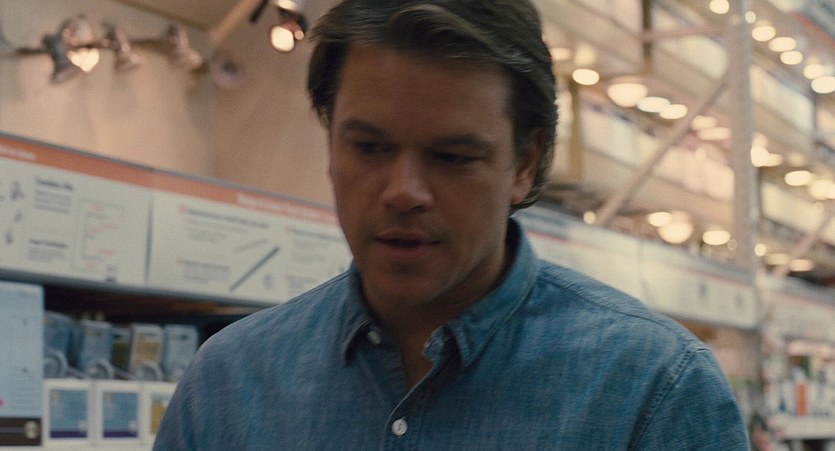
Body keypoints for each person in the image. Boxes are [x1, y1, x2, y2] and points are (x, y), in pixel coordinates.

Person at [154, 0, 750, 449]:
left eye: (452, 157)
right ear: (331, 145)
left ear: (523, 164)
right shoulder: (230, 383)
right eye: (368, 147)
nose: (404, 192)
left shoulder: (651, 389)